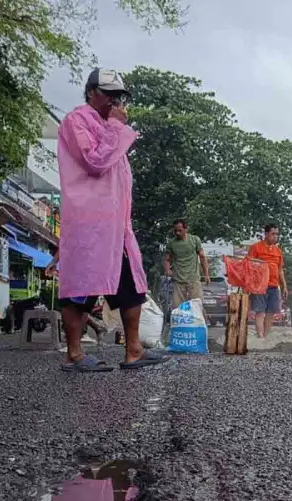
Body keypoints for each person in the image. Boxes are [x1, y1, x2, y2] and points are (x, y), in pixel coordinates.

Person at [45, 67, 169, 372]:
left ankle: (134, 349)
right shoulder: (78, 121)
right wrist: (115, 126)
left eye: (119, 96)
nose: (115, 101)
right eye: (109, 94)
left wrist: (113, 126)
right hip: (89, 222)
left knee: (131, 286)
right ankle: (74, 354)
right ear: (90, 92)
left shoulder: (108, 125)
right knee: (81, 288)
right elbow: (95, 161)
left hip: (116, 226)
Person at [248, 224, 287, 339]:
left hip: (274, 285)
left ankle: (265, 335)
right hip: (259, 285)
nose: (275, 237)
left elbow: (280, 270)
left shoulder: (278, 251)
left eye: (277, 234)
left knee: (271, 311)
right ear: (266, 234)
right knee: (260, 311)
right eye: (273, 234)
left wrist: (284, 286)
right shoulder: (256, 247)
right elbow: (249, 266)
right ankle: (260, 336)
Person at [162, 219, 210, 310]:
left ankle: (200, 323)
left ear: (186, 229)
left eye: (180, 230)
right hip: (178, 281)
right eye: (175, 231)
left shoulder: (194, 240)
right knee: (178, 309)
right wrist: (167, 269)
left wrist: (206, 274)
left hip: (193, 280)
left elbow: (202, 257)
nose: (177, 233)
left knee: (197, 308)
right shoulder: (171, 243)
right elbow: (166, 259)